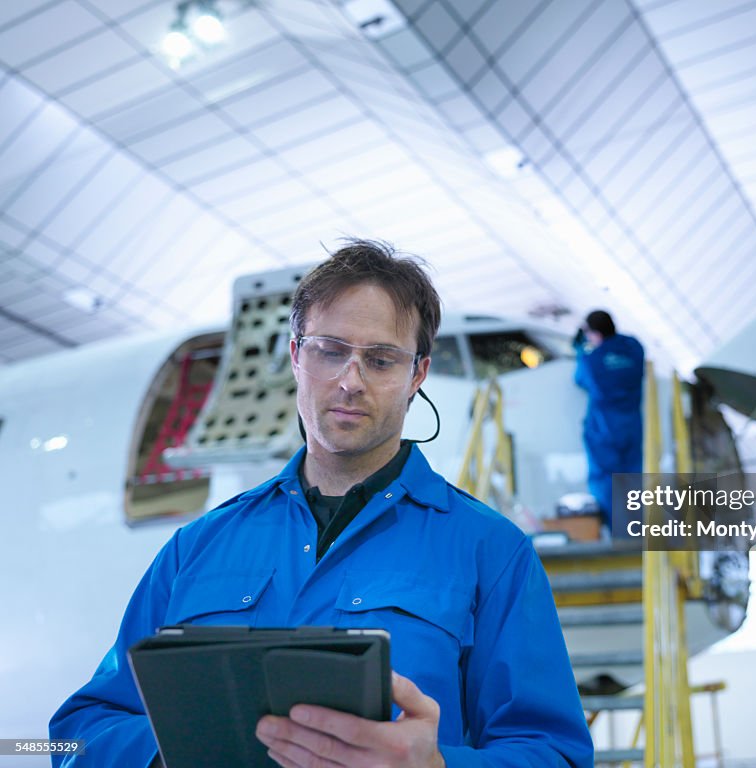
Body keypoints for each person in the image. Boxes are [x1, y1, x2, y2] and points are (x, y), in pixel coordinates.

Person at [50, 240, 593, 767]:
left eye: (380, 360)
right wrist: (166, 752)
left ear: (416, 376)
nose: (350, 382)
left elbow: (556, 753)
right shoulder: (197, 546)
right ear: (295, 356)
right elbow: (75, 735)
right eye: (329, 351)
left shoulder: (490, 552)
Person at [573, 310, 644, 535]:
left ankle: (618, 533)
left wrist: (579, 349)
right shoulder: (633, 348)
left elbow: (580, 380)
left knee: (605, 480)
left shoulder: (593, 359)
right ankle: (636, 530)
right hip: (632, 426)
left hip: (604, 428)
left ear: (595, 334)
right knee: (633, 478)